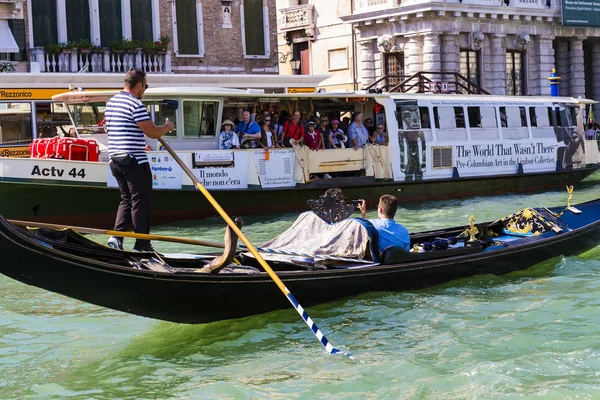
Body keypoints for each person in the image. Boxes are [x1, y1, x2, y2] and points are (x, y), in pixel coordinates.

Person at [105, 68, 174, 252]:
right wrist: (167, 127)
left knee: (126, 200)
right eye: (145, 86)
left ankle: (116, 238)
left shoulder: (111, 102)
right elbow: (151, 132)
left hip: (115, 160)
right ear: (138, 85)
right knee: (140, 201)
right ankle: (142, 244)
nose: (145, 90)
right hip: (134, 160)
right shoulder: (135, 104)